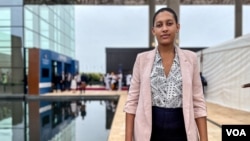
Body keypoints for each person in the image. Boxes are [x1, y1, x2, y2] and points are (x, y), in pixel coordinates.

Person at [124, 7, 208, 141]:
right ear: (153, 31)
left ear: (177, 27)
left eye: (169, 23)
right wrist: (128, 139)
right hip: (149, 133)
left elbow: (198, 103)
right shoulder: (142, 60)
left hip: (182, 132)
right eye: (159, 25)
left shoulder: (190, 59)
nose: (164, 29)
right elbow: (132, 102)